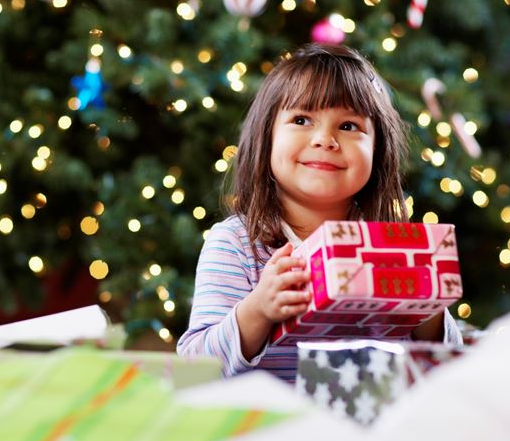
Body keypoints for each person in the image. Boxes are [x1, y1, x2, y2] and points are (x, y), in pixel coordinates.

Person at [177, 43, 462, 382]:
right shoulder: (236, 243)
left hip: (364, 430)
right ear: (266, 138)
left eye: (348, 126)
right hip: (265, 427)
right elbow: (195, 368)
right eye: (301, 119)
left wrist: (427, 310)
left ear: (378, 150)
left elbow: (448, 372)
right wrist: (258, 310)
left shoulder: (391, 248)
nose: (325, 139)